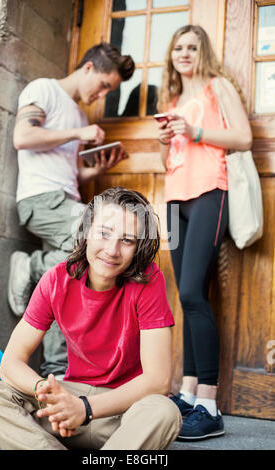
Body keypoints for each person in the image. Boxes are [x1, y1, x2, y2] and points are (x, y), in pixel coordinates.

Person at [0, 187, 182, 450]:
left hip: (121, 413)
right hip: (66, 403)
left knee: (164, 411)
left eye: (127, 240)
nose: (112, 250)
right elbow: (10, 364)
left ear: (138, 248)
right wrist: (46, 390)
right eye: (104, 234)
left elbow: (157, 380)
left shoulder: (149, 281)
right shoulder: (56, 280)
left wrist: (85, 408)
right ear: (86, 232)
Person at [7, 43, 135, 379]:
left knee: (67, 280)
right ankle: (31, 265)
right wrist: (80, 133)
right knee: (91, 236)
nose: (103, 93)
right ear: (89, 68)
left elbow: (72, 170)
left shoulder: (78, 114)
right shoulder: (43, 89)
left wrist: (98, 169)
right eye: (105, 85)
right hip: (40, 200)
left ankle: (56, 372)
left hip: (64, 198)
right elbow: (23, 136)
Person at [156, 25, 252, 440]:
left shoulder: (217, 87)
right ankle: (189, 392)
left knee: (194, 293)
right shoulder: (174, 100)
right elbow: (167, 161)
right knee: (186, 295)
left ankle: (210, 405)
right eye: (178, 47)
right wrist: (166, 139)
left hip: (210, 192)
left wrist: (195, 132)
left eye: (192, 47)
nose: (184, 53)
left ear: (203, 52)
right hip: (176, 199)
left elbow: (244, 137)